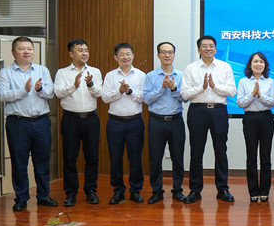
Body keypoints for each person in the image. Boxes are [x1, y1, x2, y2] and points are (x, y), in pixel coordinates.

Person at [0, 36, 56, 211]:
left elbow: (51, 93)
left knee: (42, 162)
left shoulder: (42, 70)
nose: (26, 52)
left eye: (29, 48)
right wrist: (23, 91)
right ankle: (21, 198)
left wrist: (40, 89)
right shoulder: (5, 72)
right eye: (22, 49)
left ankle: (44, 196)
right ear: (13, 52)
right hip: (17, 124)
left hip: (41, 122)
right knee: (19, 163)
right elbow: (1, 95)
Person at [180, 35, 237, 204]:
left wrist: (214, 86)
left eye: (211, 46)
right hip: (197, 111)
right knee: (196, 151)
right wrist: (202, 87)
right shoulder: (191, 68)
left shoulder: (225, 67)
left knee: (221, 151)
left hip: (219, 111)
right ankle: (195, 190)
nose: (208, 49)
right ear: (199, 49)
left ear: (215, 49)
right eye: (204, 46)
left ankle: (223, 189)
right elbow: (184, 94)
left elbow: (232, 91)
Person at [54, 38, 102, 206]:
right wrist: (74, 86)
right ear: (71, 53)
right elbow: (58, 93)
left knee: (92, 157)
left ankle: (91, 191)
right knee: (69, 157)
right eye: (80, 50)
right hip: (70, 120)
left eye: (86, 50)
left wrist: (90, 84)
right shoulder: (62, 73)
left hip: (91, 119)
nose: (84, 53)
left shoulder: (95, 71)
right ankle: (71, 192)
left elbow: (100, 93)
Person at [101, 42, 146, 204]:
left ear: (133, 56)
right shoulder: (110, 76)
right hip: (115, 123)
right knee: (115, 158)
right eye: (122, 54)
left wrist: (130, 91)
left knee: (135, 158)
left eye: (128, 54)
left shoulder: (141, 75)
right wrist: (119, 91)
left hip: (135, 122)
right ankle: (118, 191)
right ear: (116, 57)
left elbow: (144, 97)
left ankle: (135, 191)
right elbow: (105, 98)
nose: (125, 57)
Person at [143, 41, 186, 204]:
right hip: (157, 121)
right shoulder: (150, 76)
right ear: (158, 55)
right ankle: (157, 191)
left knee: (178, 158)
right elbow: (146, 99)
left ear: (174, 55)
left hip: (176, 121)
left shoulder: (181, 75)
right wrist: (161, 88)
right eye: (163, 52)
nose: (167, 55)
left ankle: (177, 190)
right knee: (155, 158)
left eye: (170, 52)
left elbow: (185, 98)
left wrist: (174, 88)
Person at [237, 51, 274, 202]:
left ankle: (265, 190)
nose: (258, 64)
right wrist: (252, 94)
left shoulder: (270, 82)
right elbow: (240, 103)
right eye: (255, 61)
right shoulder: (243, 82)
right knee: (251, 156)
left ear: (265, 65)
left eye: (261, 61)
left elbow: (273, 102)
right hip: (250, 119)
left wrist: (260, 95)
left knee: (265, 157)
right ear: (250, 64)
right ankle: (253, 191)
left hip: (266, 118)